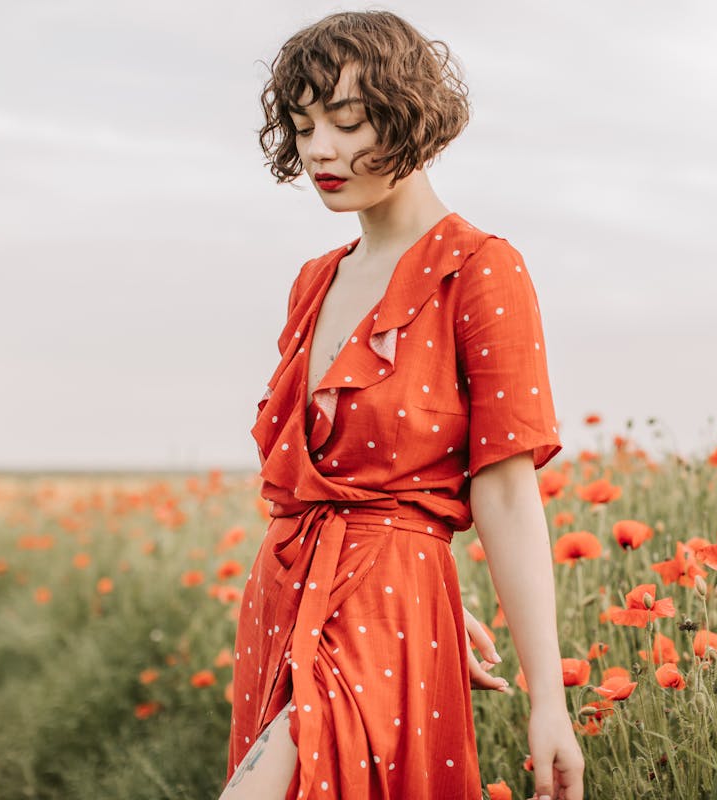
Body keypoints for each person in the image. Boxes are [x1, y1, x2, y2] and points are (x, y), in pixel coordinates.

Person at [219, 11, 585, 800]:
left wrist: (547, 697)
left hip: (383, 611)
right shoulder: (314, 279)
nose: (320, 149)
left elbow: (507, 493)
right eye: (304, 126)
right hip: (284, 594)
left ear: (410, 114)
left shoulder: (481, 269)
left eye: (347, 122)